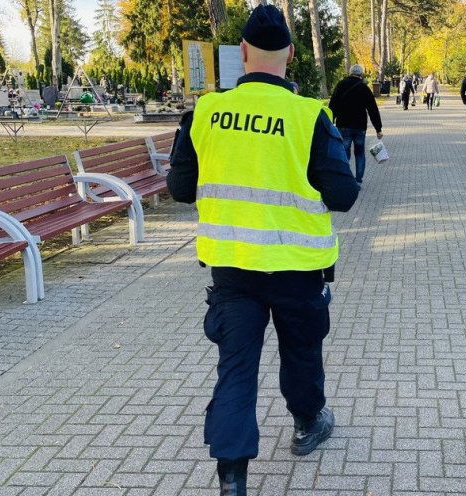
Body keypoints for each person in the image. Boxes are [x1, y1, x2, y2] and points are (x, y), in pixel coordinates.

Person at [166, 6, 360, 495]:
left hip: (232, 269)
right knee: (301, 352)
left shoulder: (205, 112)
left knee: (236, 367)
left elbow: (181, 189)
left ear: (244, 53)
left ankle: (232, 478)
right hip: (297, 268)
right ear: (291, 55)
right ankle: (306, 423)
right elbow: (343, 195)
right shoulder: (308, 115)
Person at [329, 64, 383, 183]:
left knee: (344, 153)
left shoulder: (341, 85)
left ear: (350, 73)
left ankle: (344, 178)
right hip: (359, 126)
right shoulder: (364, 88)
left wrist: (329, 122)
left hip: (343, 125)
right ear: (361, 74)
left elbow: (333, 105)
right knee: (359, 153)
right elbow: (372, 109)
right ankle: (358, 180)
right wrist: (378, 128)